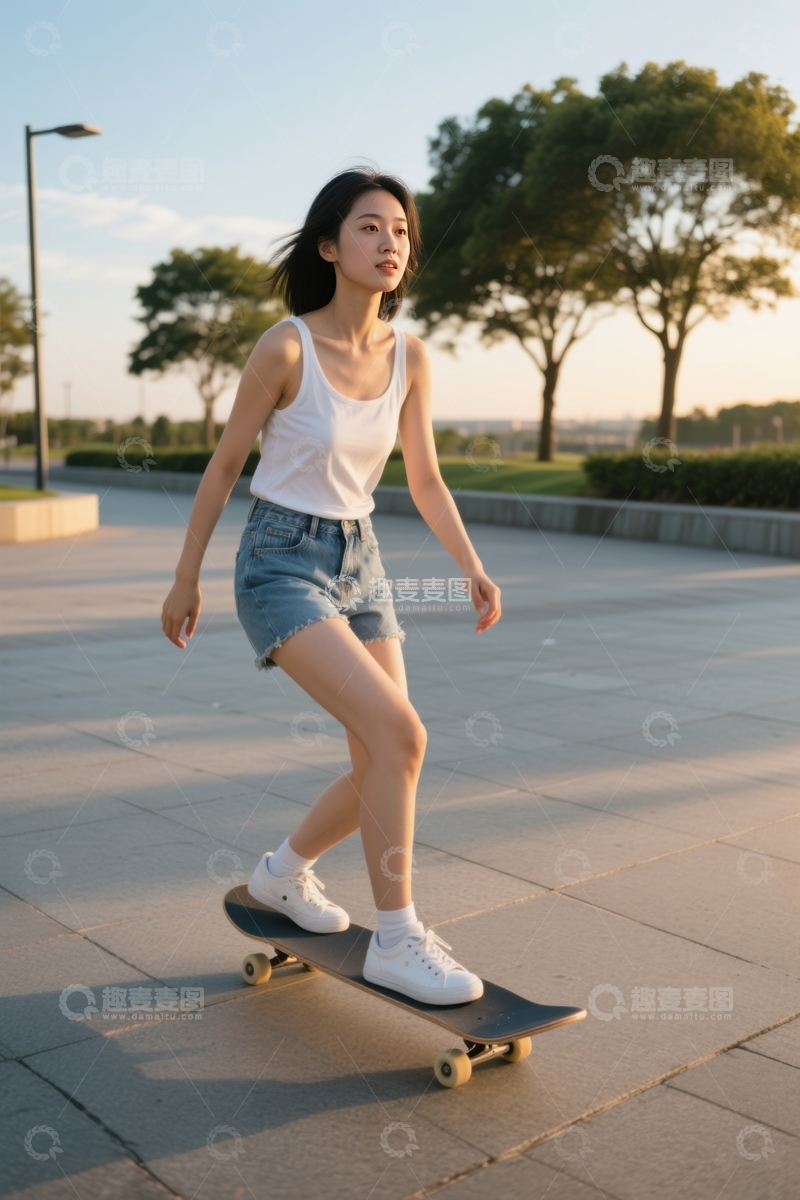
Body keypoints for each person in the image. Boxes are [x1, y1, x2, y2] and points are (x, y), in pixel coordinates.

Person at [161, 168, 501, 1005]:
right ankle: (397, 939)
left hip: (362, 561)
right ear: (329, 246)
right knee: (402, 736)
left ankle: (282, 875)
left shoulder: (410, 356)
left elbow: (425, 477)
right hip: (279, 562)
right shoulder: (286, 347)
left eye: (401, 230)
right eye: (370, 227)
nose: (391, 243)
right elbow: (224, 466)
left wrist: (471, 565)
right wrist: (184, 578)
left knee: (387, 755)